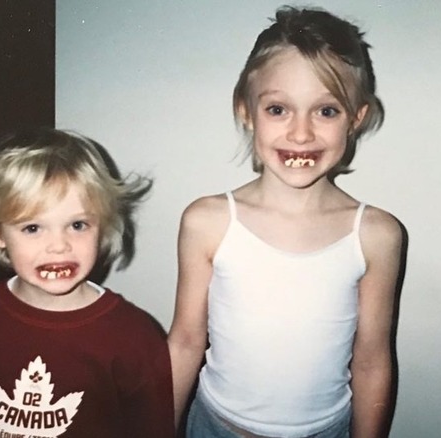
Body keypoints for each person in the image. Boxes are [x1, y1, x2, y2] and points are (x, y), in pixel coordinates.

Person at [168, 6, 402, 438]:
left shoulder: (376, 235)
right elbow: (184, 342)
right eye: (278, 109)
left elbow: (372, 361)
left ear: (356, 118)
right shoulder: (208, 222)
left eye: (326, 111)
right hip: (216, 427)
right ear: (246, 111)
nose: (301, 133)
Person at [0, 128, 174, 437]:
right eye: (32, 228)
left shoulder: (134, 335)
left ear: (102, 227)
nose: (59, 246)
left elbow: (152, 426)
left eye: (77, 225)